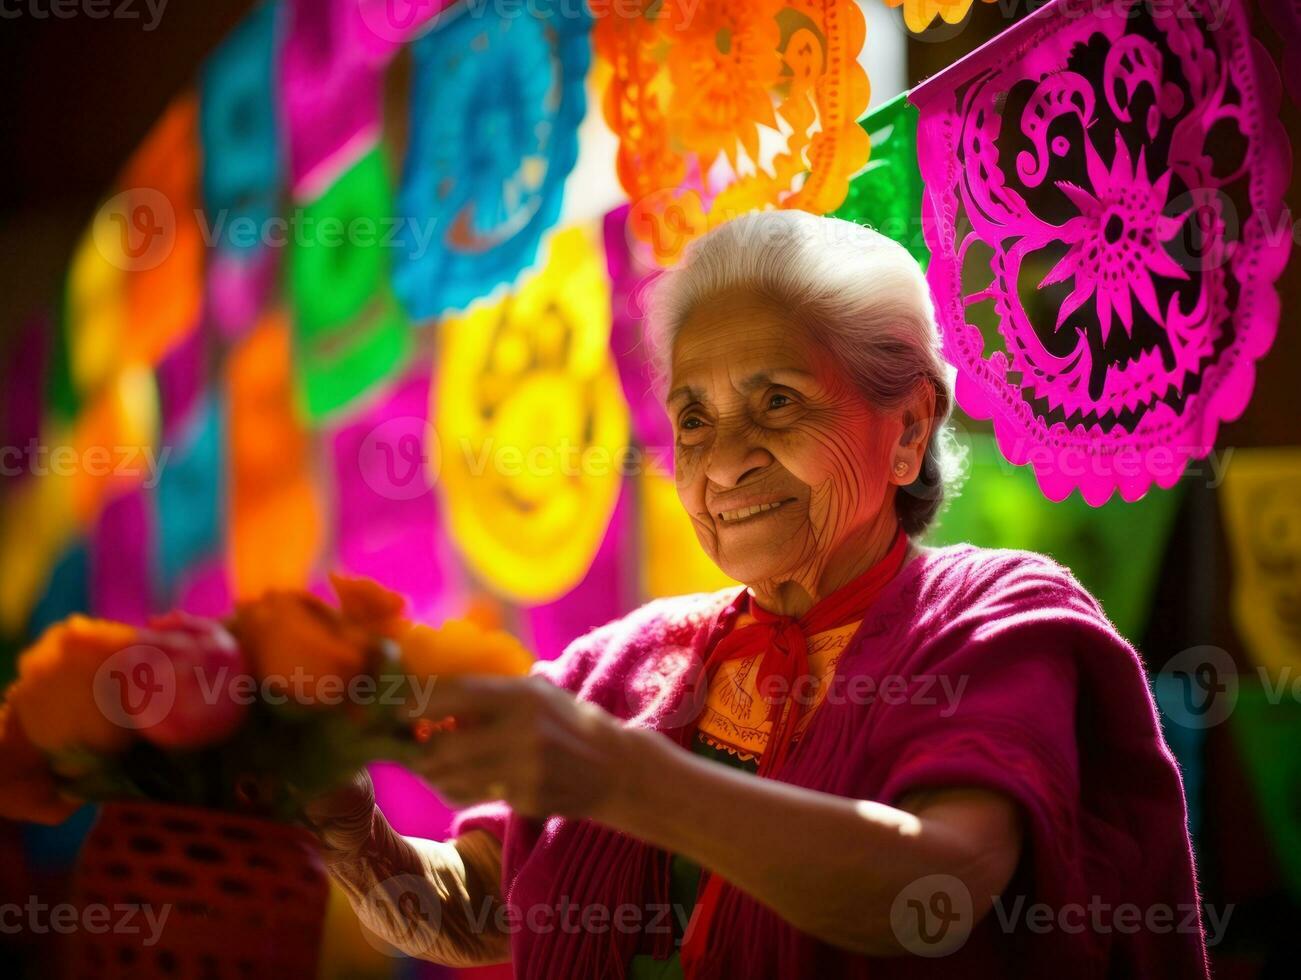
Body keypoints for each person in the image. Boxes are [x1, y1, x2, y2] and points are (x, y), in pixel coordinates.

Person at [305, 211, 1207, 978]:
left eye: (776, 402)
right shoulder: (620, 665)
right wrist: (347, 829)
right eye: (692, 418)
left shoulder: (987, 617)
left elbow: (939, 890)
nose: (725, 459)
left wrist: (622, 778)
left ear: (907, 431)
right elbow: (469, 908)